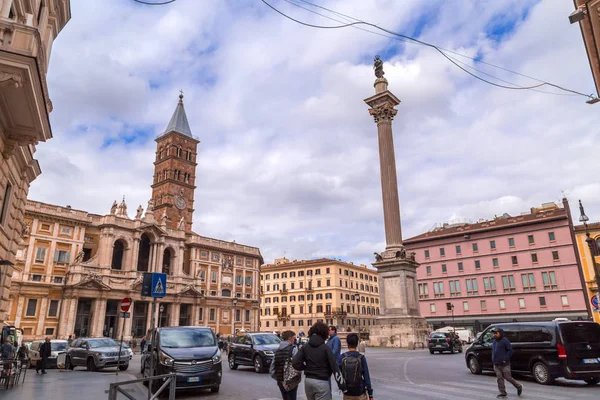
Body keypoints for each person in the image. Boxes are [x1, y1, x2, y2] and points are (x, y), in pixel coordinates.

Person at [292, 321, 346, 400]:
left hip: (308, 381)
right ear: (324, 333)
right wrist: (342, 385)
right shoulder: (325, 348)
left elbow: (295, 362)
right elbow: (335, 367)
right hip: (321, 381)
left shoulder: (305, 346)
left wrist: (305, 367)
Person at [339, 334, 373, 400]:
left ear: (347, 343)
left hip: (347, 392)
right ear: (357, 343)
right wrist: (370, 394)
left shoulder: (342, 357)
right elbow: (366, 377)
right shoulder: (361, 358)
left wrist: (341, 387)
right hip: (360, 391)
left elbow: (338, 374)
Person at [491, 328, 522, 398]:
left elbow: (510, 351)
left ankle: (518, 386)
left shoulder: (505, 341)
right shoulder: (494, 341)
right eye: (494, 333)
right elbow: (493, 352)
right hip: (496, 364)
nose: (495, 334)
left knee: (508, 377)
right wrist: (493, 361)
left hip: (505, 364)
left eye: (496, 333)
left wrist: (505, 359)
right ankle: (503, 392)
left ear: (500, 333)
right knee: (499, 378)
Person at [270, 330, 300, 400]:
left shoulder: (277, 351)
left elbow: (272, 369)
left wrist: (278, 378)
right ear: (289, 338)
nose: (294, 340)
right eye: (293, 338)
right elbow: (297, 364)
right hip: (291, 380)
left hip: (280, 380)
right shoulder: (293, 349)